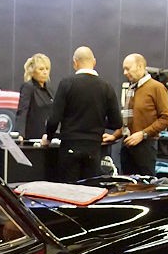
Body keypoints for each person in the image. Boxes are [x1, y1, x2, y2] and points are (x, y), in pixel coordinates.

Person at [45, 46, 122, 182]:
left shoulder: (66, 83)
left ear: (75, 63)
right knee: (90, 189)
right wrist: (97, 121)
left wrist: (49, 137)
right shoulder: (106, 87)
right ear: (94, 62)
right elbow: (117, 122)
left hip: (70, 146)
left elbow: (54, 119)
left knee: (68, 190)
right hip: (94, 148)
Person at [102, 53, 168, 176]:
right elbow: (128, 121)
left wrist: (142, 134)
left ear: (140, 67)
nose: (125, 73)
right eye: (124, 69)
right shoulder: (131, 88)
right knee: (127, 183)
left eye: (128, 69)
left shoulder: (157, 88)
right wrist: (115, 136)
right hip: (127, 146)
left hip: (145, 147)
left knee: (145, 184)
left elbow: (167, 119)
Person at [15, 53, 54, 141]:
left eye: (47, 68)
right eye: (41, 69)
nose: (45, 72)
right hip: (33, 137)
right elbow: (22, 111)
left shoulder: (49, 88)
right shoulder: (28, 87)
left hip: (48, 137)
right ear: (32, 71)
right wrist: (20, 134)